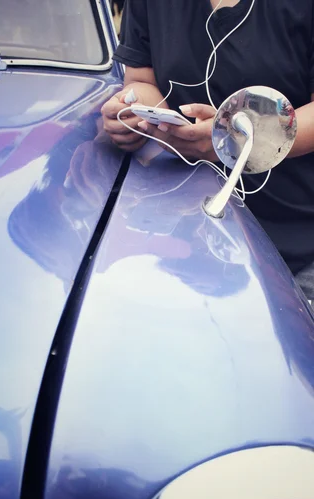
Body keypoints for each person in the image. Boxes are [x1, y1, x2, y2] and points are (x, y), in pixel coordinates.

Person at [101, 0, 314, 298]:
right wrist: (138, 114)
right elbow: (140, 80)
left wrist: (230, 140)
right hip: (183, 236)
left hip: (299, 247)